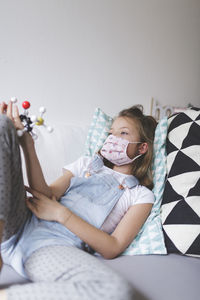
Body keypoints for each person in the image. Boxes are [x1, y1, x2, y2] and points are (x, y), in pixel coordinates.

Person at [0, 101, 157, 300]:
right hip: (17, 223)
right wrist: (28, 145)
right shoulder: (86, 164)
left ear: (142, 147)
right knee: (2, 125)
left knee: (114, 291)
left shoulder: (140, 195)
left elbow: (113, 247)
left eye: (123, 133)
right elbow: (46, 194)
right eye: (111, 132)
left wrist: (61, 214)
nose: (113, 138)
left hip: (52, 247)